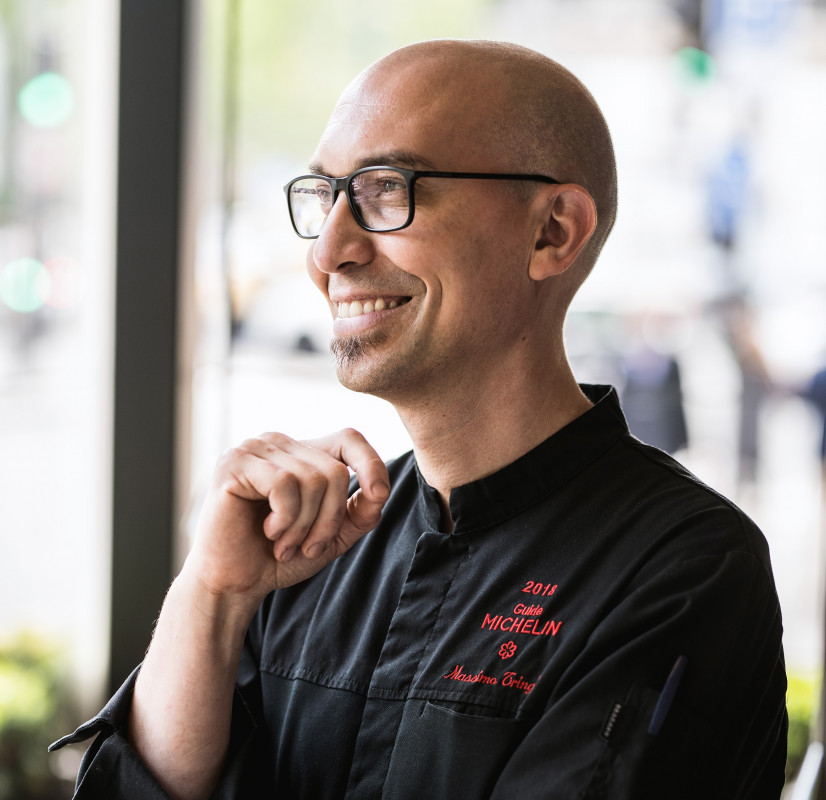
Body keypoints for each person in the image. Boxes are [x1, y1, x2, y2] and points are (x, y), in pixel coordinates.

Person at [52, 39, 788, 799]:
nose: (328, 251)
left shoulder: (683, 569)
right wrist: (210, 593)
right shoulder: (312, 540)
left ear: (552, 232)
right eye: (322, 194)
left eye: (383, 190)